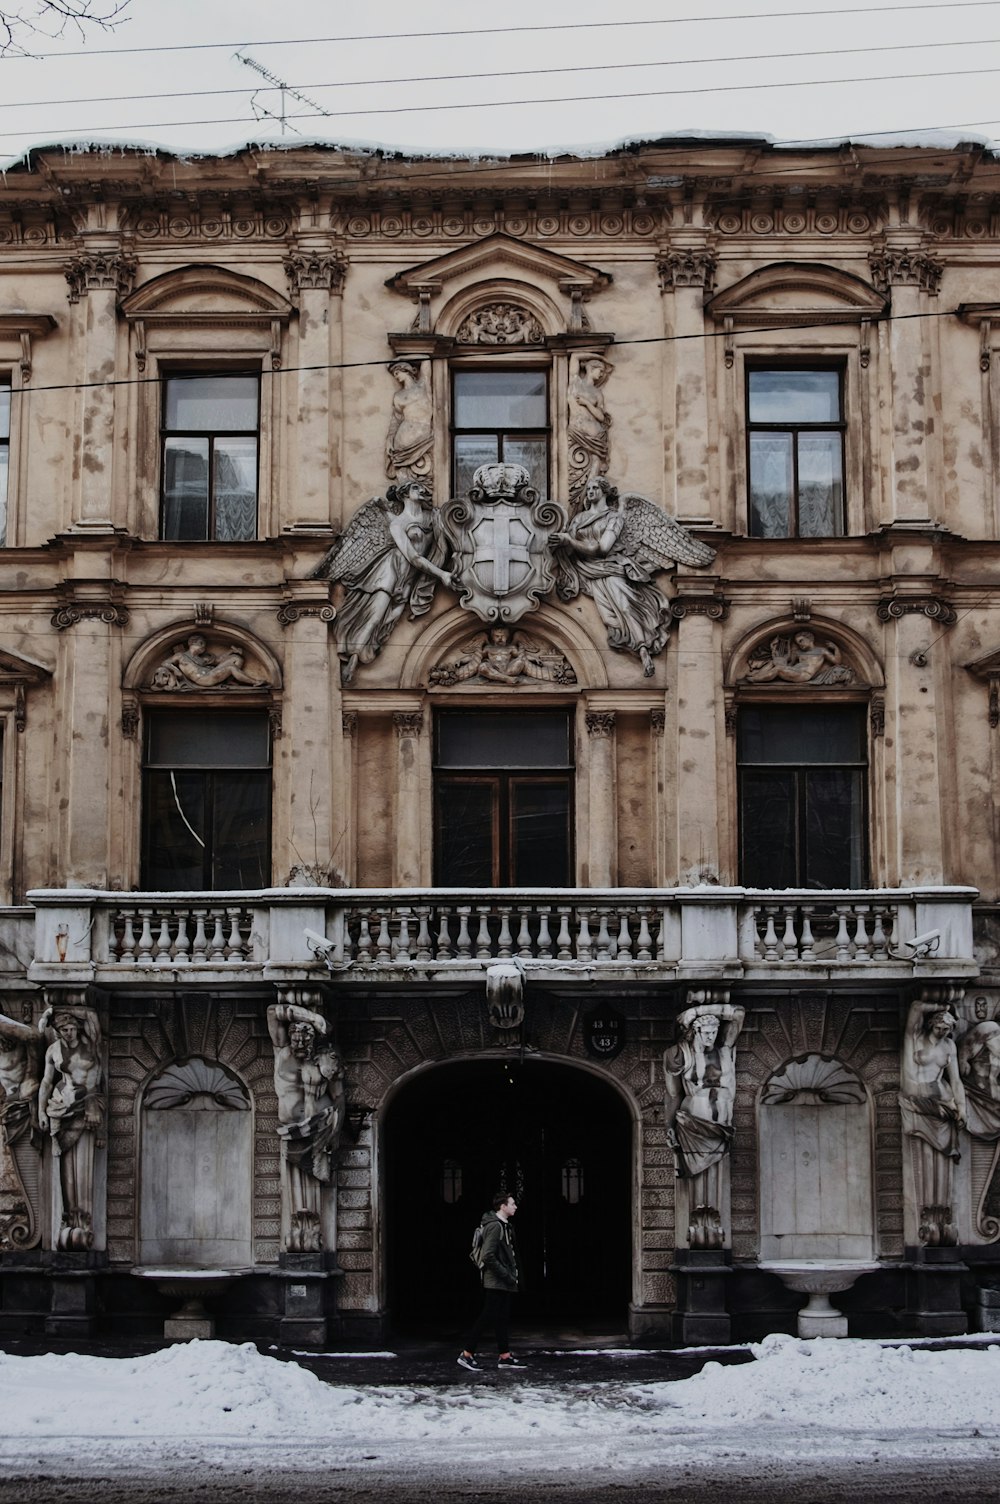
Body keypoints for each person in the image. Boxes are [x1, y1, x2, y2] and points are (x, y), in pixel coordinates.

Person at [267, 999, 345, 1253]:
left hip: (318, 1129)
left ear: (313, 1040)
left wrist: (335, 1131)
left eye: (305, 1038)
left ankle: (311, 1239)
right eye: (295, 1037)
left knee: (313, 1190)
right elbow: (272, 1012)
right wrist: (312, 1018)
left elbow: (339, 1098)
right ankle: (300, 1237)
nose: (299, 1042)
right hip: (290, 1131)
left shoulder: (323, 1061)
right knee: (295, 1195)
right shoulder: (281, 1051)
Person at [899, 998, 967, 1245]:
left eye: (947, 1029)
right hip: (919, 1101)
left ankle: (941, 1218)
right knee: (923, 1159)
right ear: (931, 1025)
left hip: (943, 1103)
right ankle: (928, 1218)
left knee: (942, 1160)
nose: (942, 1032)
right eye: (939, 1028)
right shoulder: (914, 1037)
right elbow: (915, 1006)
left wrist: (962, 1108)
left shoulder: (949, 1046)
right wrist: (944, 1000)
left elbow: (956, 1080)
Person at [37, 1004, 105, 1250]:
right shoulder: (53, 1050)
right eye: (63, 1029)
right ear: (57, 1031)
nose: (68, 1032)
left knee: (84, 1165)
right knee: (64, 1165)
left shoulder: (93, 1043)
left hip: (87, 1103)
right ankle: (69, 1220)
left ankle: (82, 1223)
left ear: (77, 1025)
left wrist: (57, 1005)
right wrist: (40, 1111)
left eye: (70, 1027)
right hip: (61, 1106)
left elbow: (93, 1014)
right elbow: (45, 1081)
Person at [458, 1192, 523, 1371]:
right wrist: (507, 1275)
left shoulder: (503, 1225)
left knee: (501, 1318)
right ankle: (466, 1354)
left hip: (502, 1281)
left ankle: (505, 1356)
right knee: (487, 1316)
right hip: (496, 1281)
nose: (515, 1207)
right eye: (512, 1203)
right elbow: (488, 1255)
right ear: (503, 1206)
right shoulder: (495, 1226)